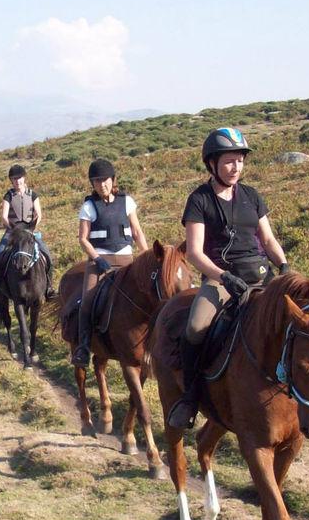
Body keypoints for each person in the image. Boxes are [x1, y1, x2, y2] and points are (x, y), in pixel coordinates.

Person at [166, 127, 290, 429]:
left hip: (260, 275)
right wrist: (223, 277)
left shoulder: (252, 196)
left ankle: (303, 392)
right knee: (195, 327)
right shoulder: (199, 200)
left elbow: (269, 239)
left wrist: (284, 267)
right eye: (229, 162)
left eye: (240, 161)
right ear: (212, 164)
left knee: (303, 320)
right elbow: (195, 252)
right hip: (221, 279)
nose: (236, 168)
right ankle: (190, 398)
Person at [72, 158, 148, 366]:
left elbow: (136, 231)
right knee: (87, 302)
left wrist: (147, 255)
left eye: (105, 180)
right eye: (96, 181)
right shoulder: (88, 206)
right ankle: (84, 347)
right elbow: (83, 239)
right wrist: (96, 258)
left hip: (126, 259)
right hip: (100, 262)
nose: (101, 185)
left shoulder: (127, 201)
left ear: (113, 180)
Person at [0, 164, 56, 299]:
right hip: (12, 231)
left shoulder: (33, 195)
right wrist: (13, 229)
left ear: (24, 178)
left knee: (46, 253)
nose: (17, 181)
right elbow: (4, 216)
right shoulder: (8, 195)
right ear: (11, 181)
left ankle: (48, 286)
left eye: (19, 178)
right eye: (14, 179)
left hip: (29, 230)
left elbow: (39, 214)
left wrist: (32, 228)